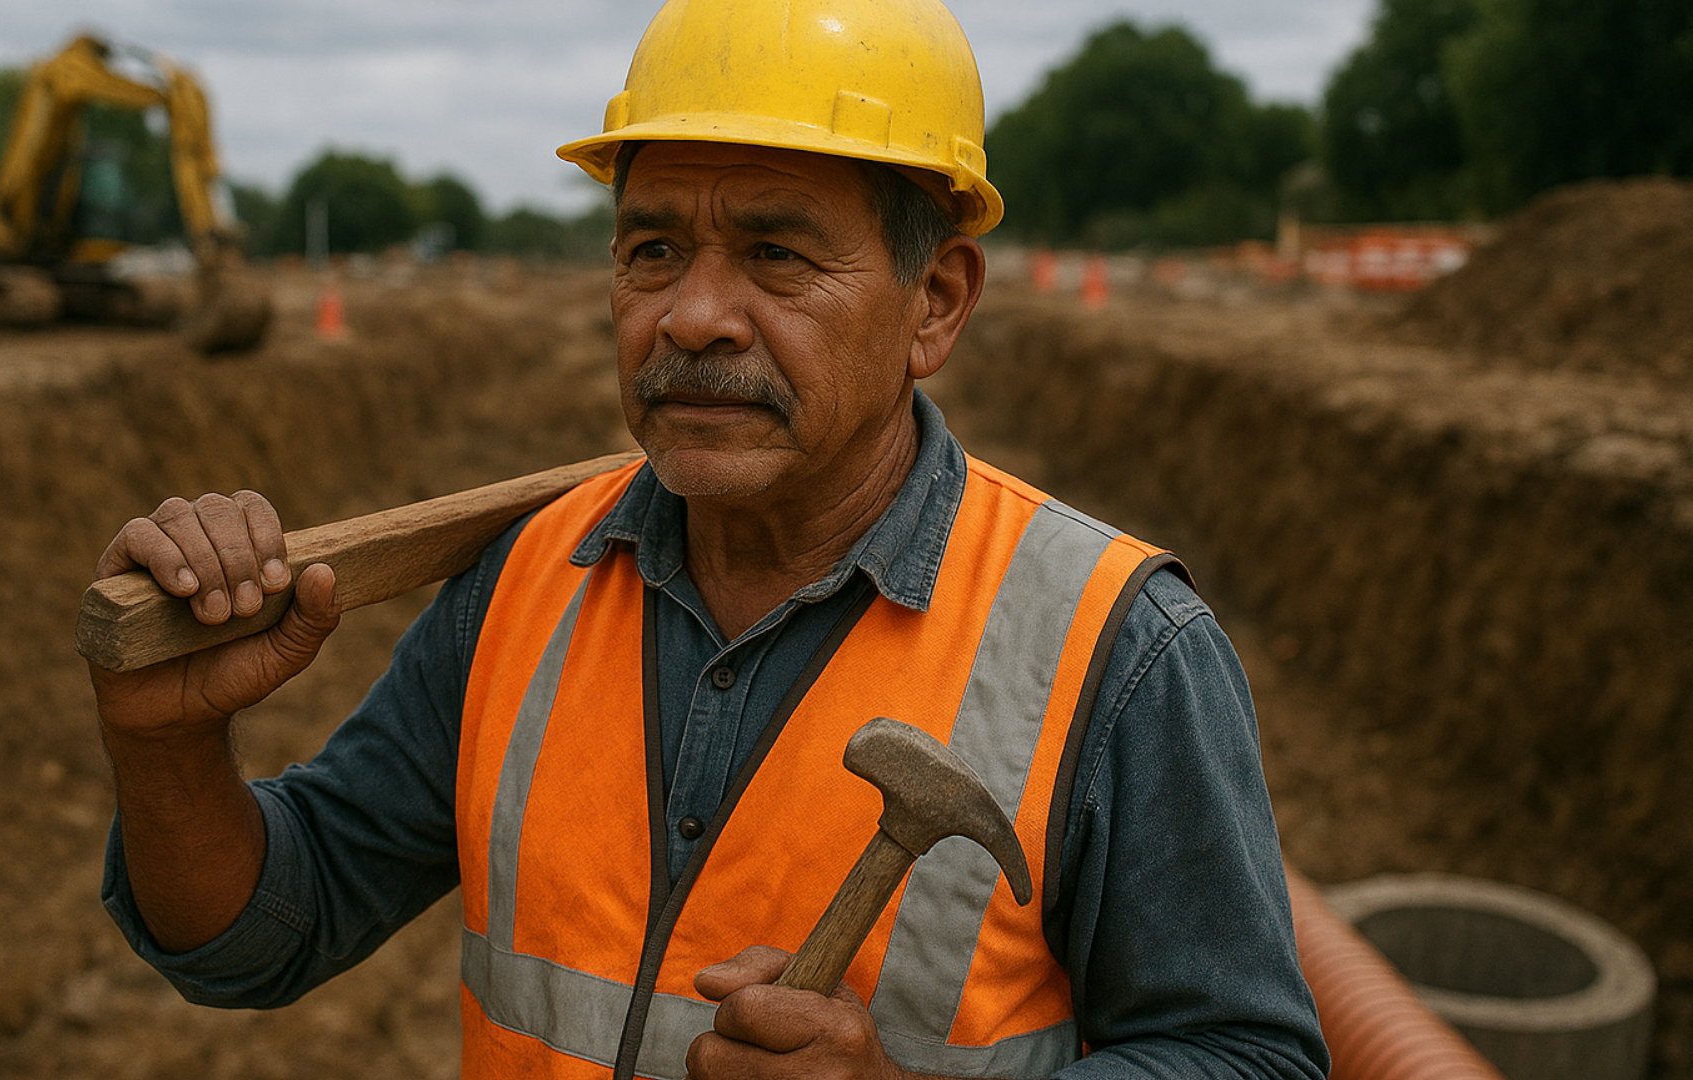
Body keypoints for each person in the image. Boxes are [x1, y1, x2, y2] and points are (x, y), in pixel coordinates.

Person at [89, 0, 1329, 1076]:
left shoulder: (1118, 649)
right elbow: (255, 939)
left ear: (936, 301)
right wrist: (169, 746)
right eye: (653, 250)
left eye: (777, 254)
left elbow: (1250, 1055)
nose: (691, 317)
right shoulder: (523, 582)